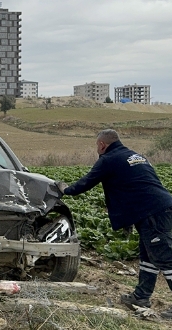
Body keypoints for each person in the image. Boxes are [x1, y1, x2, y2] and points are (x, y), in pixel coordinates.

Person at [56, 129, 172, 317]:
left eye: (97, 146)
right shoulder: (135, 156)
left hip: (152, 212)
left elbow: (87, 181)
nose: (97, 149)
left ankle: (144, 297)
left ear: (102, 145)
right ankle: (141, 297)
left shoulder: (108, 160)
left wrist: (66, 189)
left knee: (165, 258)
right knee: (148, 258)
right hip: (157, 208)